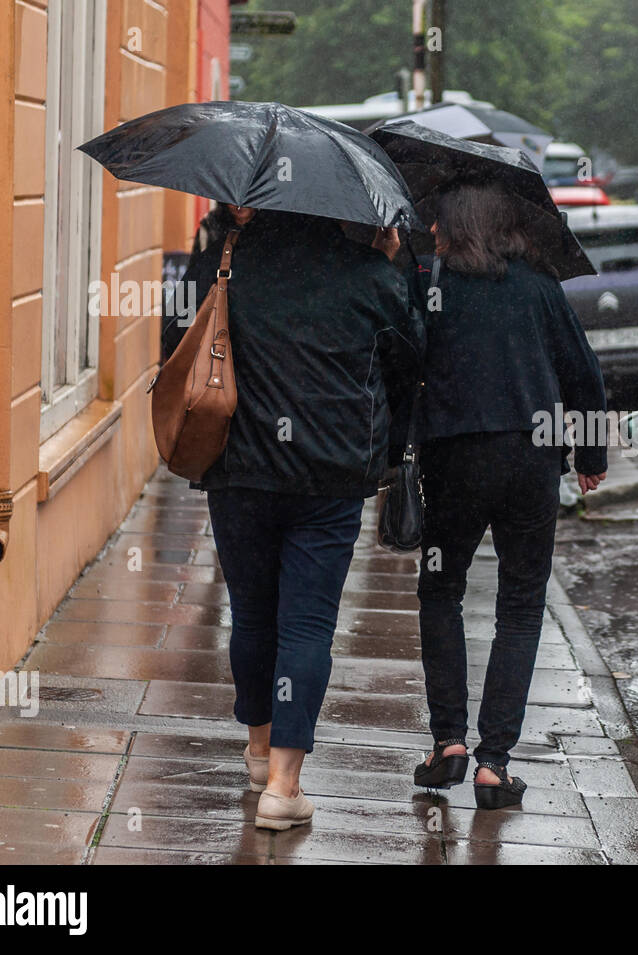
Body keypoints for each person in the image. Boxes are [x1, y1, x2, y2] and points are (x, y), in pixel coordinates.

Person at [168, 204, 420, 831]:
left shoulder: (225, 261)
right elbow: (408, 362)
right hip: (330, 475)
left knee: (252, 613)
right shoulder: (368, 272)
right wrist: (388, 267)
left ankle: (257, 747)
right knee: (307, 626)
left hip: (239, 467)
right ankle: (283, 786)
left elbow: (180, 338)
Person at [412, 181, 608, 809]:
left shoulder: (434, 288)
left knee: (441, 591)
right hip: (530, 459)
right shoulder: (539, 288)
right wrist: (591, 457)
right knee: (521, 608)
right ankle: (494, 761)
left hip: (454, 459)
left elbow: (402, 366)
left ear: (454, 224)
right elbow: (586, 377)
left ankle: (448, 740)